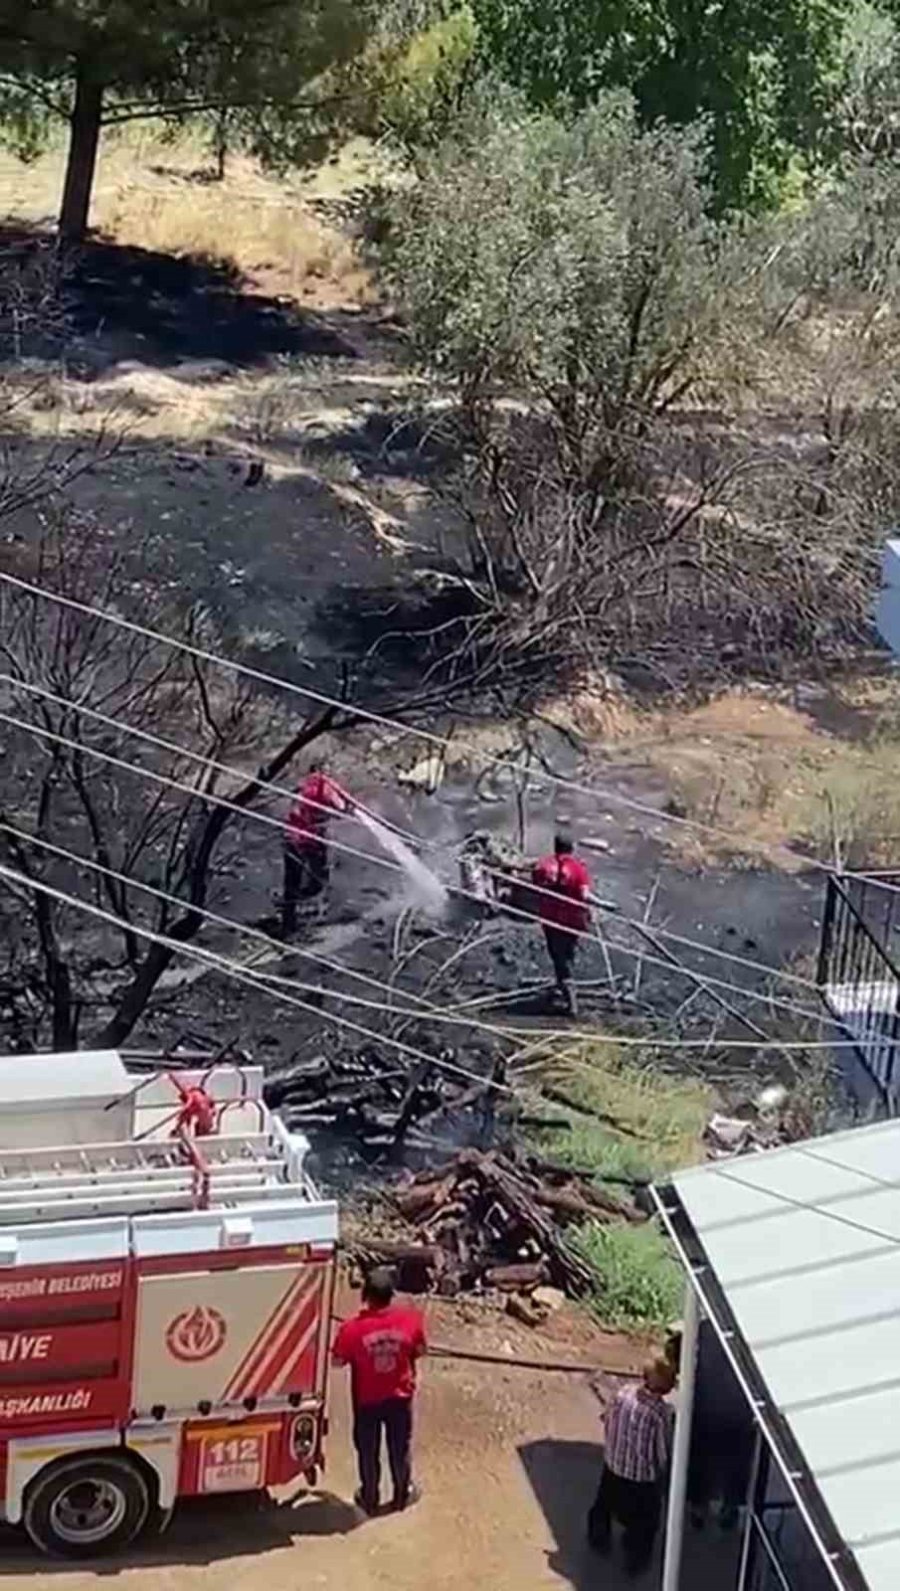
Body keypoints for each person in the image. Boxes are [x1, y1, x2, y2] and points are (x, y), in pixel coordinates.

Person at [332, 1267, 426, 1517]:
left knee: (367, 1450)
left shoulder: (351, 1330)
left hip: (366, 1400)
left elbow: (337, 1361)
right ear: (391, 1295)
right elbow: (419, 1350)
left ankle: (370, 1498)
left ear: (366, 1295)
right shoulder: (411, 1320)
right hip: (400, 1397)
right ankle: (401, 1494)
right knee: (399, 1448)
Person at [587, 1355, 676, 1577]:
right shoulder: (659, 1413)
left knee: (603, 1506)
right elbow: (661, 1451)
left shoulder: (622, 1393)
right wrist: (663, 1474)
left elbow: (606, 1420)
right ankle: (634, 1560)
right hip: (640, 1478)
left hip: (613, 1465)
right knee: (646, 1522)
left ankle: (598, 1539)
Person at [282, 762, 353, 935]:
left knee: (291, 881)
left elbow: (294, 808)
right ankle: (309, 909)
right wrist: (348, 809)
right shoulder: (324, 786)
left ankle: (288, 921)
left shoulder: (302, 786)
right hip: (311, 841)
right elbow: (340, 807)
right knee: (319, 881)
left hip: (290, 838)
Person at [531, 828, 592, 1016]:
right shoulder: (578, 868)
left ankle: (568, 994)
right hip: (573, 920)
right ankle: (566, 992)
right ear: (571, 848)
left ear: (555, 847)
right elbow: (584, 895)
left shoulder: (542, 866)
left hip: (551, 920)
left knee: (558, 957)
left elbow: (535, 886)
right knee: (566, 954)